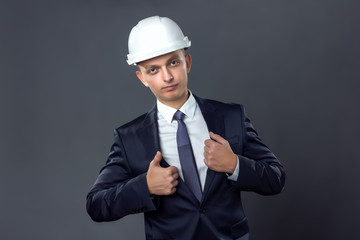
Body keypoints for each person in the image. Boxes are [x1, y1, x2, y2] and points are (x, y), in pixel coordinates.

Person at [86, 16, 285, 240]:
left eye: (173, 62)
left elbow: (276, 177)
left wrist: (234, 164)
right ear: (142, 78)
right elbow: (96, 204)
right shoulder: (130, 138)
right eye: (153, 70)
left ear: (187, 62)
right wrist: (146, 186)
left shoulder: (230, 117)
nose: (167, 76)